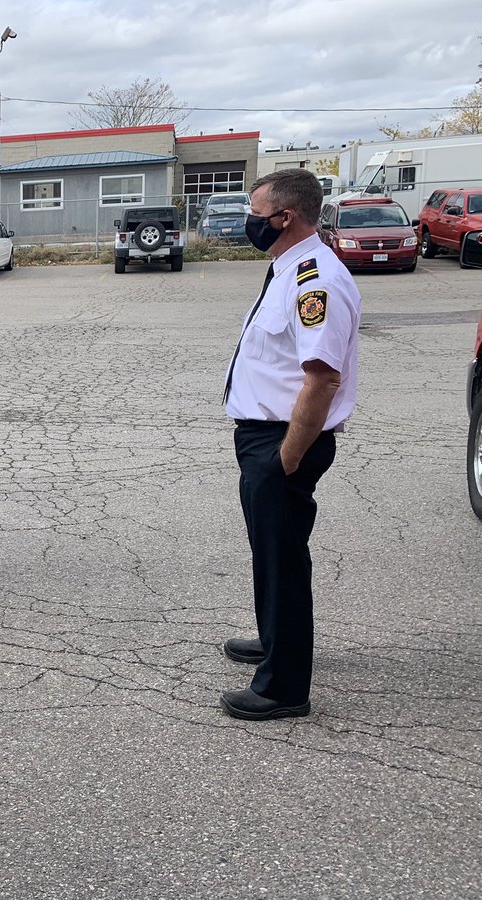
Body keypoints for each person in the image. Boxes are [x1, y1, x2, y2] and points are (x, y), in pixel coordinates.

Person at [221, 169, 361, 720]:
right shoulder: (288, 269)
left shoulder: (315, 281)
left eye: (257, 213)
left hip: (284, 441)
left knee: (282, 559)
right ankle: (275, 639)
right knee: (271, 552)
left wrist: (287, 457)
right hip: (264, 437)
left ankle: (283, 687)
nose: (248, 221)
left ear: (286, 218)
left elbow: (322, 378)